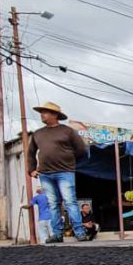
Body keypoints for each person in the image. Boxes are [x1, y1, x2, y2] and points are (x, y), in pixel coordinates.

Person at [26, 101, 88, 243]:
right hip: (45, 174)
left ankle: (79, 232)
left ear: (55, 115)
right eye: (41, 112)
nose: (42, 115)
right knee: (53, 204)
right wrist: (32, 170)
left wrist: (69, 160)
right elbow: (31, 153)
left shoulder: (67, 131)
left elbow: (81, 150)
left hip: (65, 172)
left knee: (70, 202)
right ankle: (57, 234)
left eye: (45, 112)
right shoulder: (38, 134)